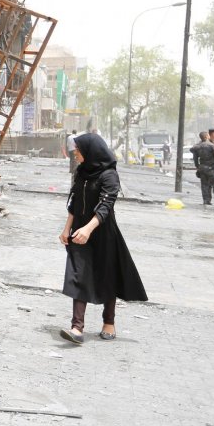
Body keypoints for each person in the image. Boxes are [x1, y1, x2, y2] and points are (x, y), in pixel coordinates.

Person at [58, 133, 147, 344]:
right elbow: (74, 202)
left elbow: (105, 207)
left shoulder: (109, 175)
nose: (75, 155)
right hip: (80, 231)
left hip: (103, 233)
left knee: (107, 276)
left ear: (90, 151)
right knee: (78, 274)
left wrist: (88, 229)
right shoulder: (82, 172)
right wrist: (67, 229)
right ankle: (77, 328)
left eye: (78, 151)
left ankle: (109, 322)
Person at [190, 131, 214, 206]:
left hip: (202, 168)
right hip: (212, 168)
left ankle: (206, 201)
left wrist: (197, 167)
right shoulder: (211, 146)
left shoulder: (197, 147)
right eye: (208, 135)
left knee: (204, 185)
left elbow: (195, 158)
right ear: (206, 136)